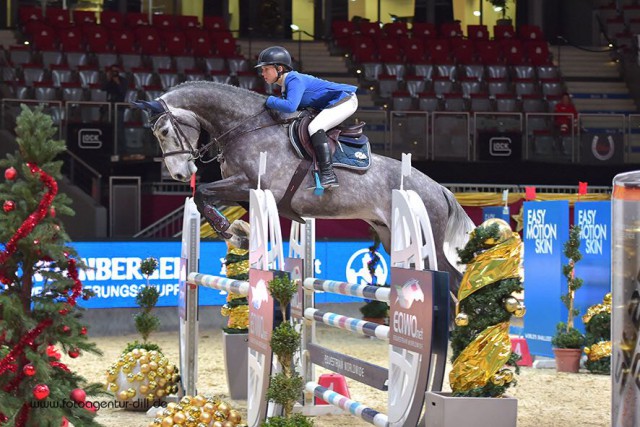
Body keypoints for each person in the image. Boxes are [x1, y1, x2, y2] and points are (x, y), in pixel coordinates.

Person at [255, 46, 358, 189]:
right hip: (332, 102)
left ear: (279, 68)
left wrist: (269, 100)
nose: (262, 73)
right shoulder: (286, 84)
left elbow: (291, 106)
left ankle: (328, 175)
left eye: (266, 69)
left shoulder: (294, 79)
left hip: (344, 100)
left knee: (315, 127)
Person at [101, 64, 129, 149]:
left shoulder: (123, 81)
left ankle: (122, 149)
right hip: (108, 108)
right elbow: (103, 90)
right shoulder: (108, 81)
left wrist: (118, 83)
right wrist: (108, 79)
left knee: (119, 129)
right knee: (107, 128)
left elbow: (123, 92)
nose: (114, 73)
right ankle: (109, 147)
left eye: (116, 71)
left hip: (118, 108)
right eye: (113, 71)